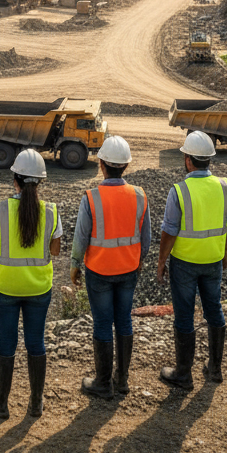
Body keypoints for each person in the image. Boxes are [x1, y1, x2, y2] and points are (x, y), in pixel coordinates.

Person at [0, 148, 62, 420]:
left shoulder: (0, 209)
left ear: (14, 179)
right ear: (40, 182)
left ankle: (1, 403)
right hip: (38, 289)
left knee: (7, 344)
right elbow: (56, 250)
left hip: (6, 289)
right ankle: (35, 404)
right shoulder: (51, 211)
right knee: (36, 344)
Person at [69, 136, 151, 399]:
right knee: (124, 320)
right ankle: (122, 380)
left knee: (103, 323)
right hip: (128, 270)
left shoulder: (92, 197)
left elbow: (81, 237)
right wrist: (138, 262)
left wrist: (74, 264)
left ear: (102, 164)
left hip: (99, 271)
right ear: (125, 166)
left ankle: (103, 383)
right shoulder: (139, 195)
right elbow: (146, 238)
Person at [157, 131, 227, 390]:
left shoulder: (179, 191)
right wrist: (224, 253)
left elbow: (169, 232)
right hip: (213, 261)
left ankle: (183, 374)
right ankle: (215, 369)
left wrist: (161, 262)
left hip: (185, 264)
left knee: (184, 315)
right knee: (214, 310)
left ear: (189, 160)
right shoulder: (225, 187)